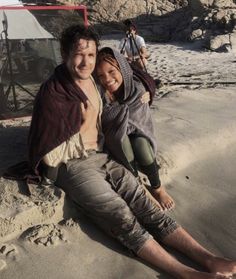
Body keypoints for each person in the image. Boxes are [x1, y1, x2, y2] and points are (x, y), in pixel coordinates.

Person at [18, 25, 236, 279]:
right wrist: (83, 125)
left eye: (90, 55)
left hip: (102, 156)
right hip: (71, 165)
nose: (85, 61)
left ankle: (208, 258)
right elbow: (47, 151)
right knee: (120, 216)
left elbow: (129, 75)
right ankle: (185, 272)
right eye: (78, 55)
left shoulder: (93, 82)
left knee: (147, 207)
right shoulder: (53, 92)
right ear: (64, 54)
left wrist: (145, 91)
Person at [95, 46, 174, 211]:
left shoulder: (137, 89)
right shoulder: (100, 96)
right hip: (117, 138)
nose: (107, 79)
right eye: (101, 75)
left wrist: (149, 94)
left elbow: (142, 118)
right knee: (122, 142)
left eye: (111, 71)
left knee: (141, 146)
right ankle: (139, 185)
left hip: (139, 133)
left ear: (122, 69)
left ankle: (157, 187)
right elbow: (105, 122)